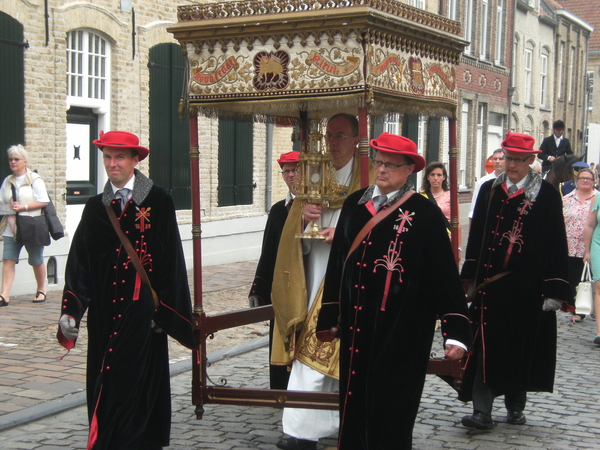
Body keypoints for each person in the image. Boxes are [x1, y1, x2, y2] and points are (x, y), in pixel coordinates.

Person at [315, 132, 472, 449]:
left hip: (403, 330)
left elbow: (444, 275)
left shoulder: (425, 214)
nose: (382, 169)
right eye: (379, 162)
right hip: (358, 328)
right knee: (354, 403)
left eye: (390, 164)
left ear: (408, 170)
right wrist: (329, 315)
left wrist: (455, 330)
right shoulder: (355, 204)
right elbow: (338, 265)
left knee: (393, 408)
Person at [56, 130, 195, 450]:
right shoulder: (95, 207)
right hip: (106, 314)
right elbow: (81, 262)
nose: (112, 163)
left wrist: (167, 311)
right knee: (108, 378)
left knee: (138, 382)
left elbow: (170, 257)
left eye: (119, 157)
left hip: (144, 314)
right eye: (107, 156)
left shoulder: (157, 199)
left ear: (136, 160)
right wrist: (72, 310)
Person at [460, 131, 572, 430]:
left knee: (518, 348)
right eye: (508, 158)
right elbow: (477, 236)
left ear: (531, 160)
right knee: (484, 346)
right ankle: (482, 411)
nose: (511, 165)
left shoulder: (546, 195)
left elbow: (555, 243)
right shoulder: (489, 190)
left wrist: (554, 288)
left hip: (527, 289)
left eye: (518, 160)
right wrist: (470, 276)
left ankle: (515, 406)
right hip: (491, 287)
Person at [271, 113, 362, 450]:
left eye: (340, 136)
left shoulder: (365, 178)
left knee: (332, 347)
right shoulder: (315, 171)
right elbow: (294, 229)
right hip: (312, 273)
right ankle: (307, 428)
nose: (333, 143)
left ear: (356, 139)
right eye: (329, 136)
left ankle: (310, 427)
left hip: (345, 278)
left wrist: (343, 234)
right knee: (312, 347)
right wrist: (303, 217)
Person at [248, 150, 299, 390]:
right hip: (282, 285)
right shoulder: (279, 209)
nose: (291, 175)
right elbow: (268, 252)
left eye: (295, 170)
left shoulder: (321, 205)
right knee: (280, 336)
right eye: (286, 171)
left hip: (308, 283)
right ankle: (281, 388)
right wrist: (258, 288)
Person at [0, 144, 50, 306]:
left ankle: (41, 289)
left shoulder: (34, 180)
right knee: (8, 259)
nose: (13, 162)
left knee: (36, 259)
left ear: (25, 161)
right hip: (12, 226)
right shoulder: (7, 181)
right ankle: (4, 294)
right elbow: (1, 202)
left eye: (16, 159)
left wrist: (24, 207)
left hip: (31, 224)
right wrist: (10, 208)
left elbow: (44, 201)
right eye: (11, 160)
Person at [564, 168, 597, 323]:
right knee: (574, 279)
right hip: (571, 245)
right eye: (582, 178)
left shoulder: (596, 198)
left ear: (593, 181)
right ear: (576, 181)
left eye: (589, 179)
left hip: (592, 247)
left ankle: (595, 309)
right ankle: (577, 309)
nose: (585, 181)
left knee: (593, 280)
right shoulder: (567, 199)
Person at [468, 148, 505, 224]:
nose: (497, 161)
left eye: (501, 159)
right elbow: (474, 207)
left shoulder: (511, 180)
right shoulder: (483, 181)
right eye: (495, 159)